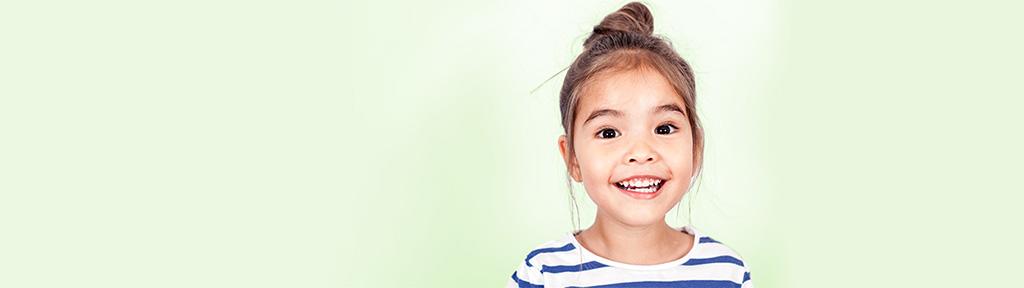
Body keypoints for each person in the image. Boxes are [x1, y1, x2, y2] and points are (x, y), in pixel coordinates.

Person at [508, 2, 753, 287]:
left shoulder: (726, 273)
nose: (641, 152)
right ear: (572, 158)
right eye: (609, 133)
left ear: (696, 148)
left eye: (664, 128)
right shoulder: (543, 274)